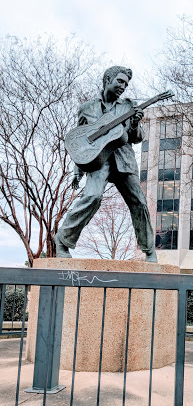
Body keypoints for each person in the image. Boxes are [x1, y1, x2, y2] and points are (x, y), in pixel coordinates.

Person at [55, 65, 157, 262]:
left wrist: (135, 123)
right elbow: (81, 140)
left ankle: (149, 250)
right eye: (120, 81)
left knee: (139, 202)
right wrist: (78, 169)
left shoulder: (128, 106)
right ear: (107, 80)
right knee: (92, 197)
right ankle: (63, 240)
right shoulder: (87, 108)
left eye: (126, 84)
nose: (123, 86)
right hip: (98, 161)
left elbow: (136, 138)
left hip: (123, 159)